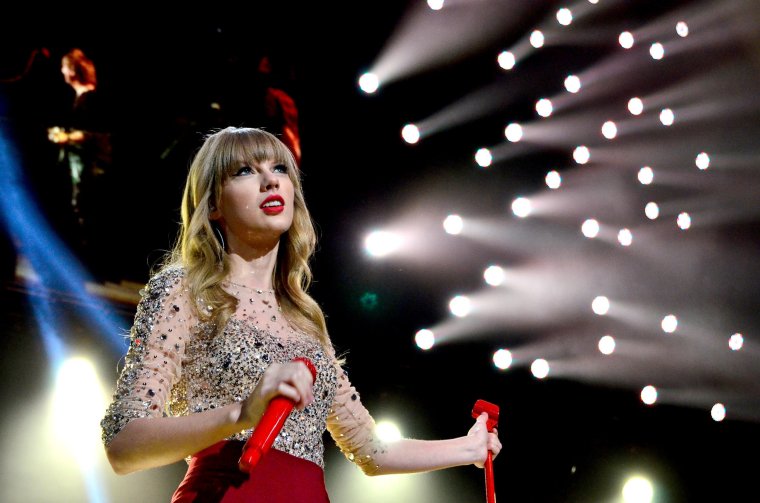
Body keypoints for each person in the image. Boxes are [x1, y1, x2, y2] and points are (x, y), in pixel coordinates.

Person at [100, 127, 501, 502]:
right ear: (214, 204)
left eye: (279, 169)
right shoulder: (184, 290)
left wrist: (468, 448)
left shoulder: (306, 319)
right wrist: (241, 413)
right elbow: (123, 445)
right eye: (244, 171)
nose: (270, 180)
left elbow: (370, 449)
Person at [47, 48, 113, 277]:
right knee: (79, 209)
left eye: (65, 67)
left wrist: (66, 137)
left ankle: (88, 265)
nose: (62, 71)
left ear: (73, 70)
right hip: (79, 162)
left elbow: (95, 133)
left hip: (90, 163)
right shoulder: (79, 97)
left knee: (85, 211)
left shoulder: (91, 98)